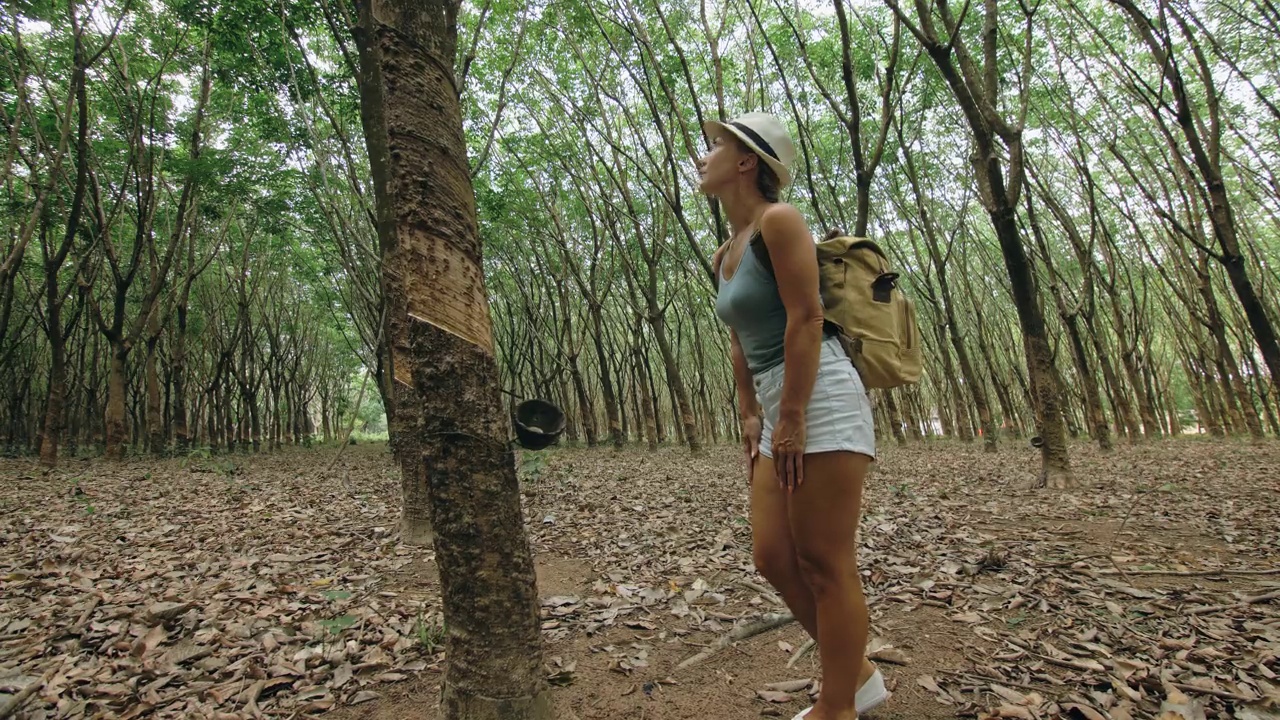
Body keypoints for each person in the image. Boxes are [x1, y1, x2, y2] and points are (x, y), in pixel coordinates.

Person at [703, 112, 887, 720]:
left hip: (820, 392)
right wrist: (751, 411)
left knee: (823, 560)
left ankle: (839, 707)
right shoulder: (724, 251)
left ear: (748, 161)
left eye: (716, 147)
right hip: (775, 398)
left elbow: (806, 317)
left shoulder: (778, 222)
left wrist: (794, 414)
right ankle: (854, 671)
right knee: (773, 557)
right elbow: (738, 339)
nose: (705, 158)